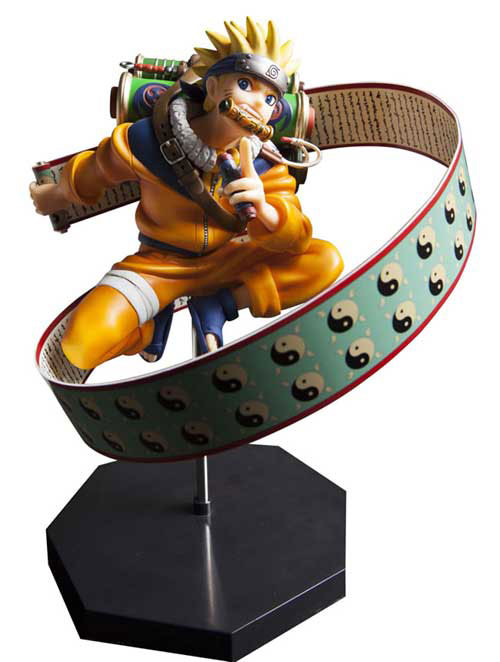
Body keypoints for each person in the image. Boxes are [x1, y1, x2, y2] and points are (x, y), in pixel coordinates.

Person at [30, 17, 343, 369]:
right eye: (245, 85)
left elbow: (297, 237)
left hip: (232, 257)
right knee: (81, 345)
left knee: (325, 260)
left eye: (270, 98)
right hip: (159, 266)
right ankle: (150, 326)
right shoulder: (148, 140)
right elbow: (95, 172)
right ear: (213, 88)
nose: (258, 104)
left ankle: (220, 303)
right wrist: (54, 195)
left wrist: (265, 208)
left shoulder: (266, 164)